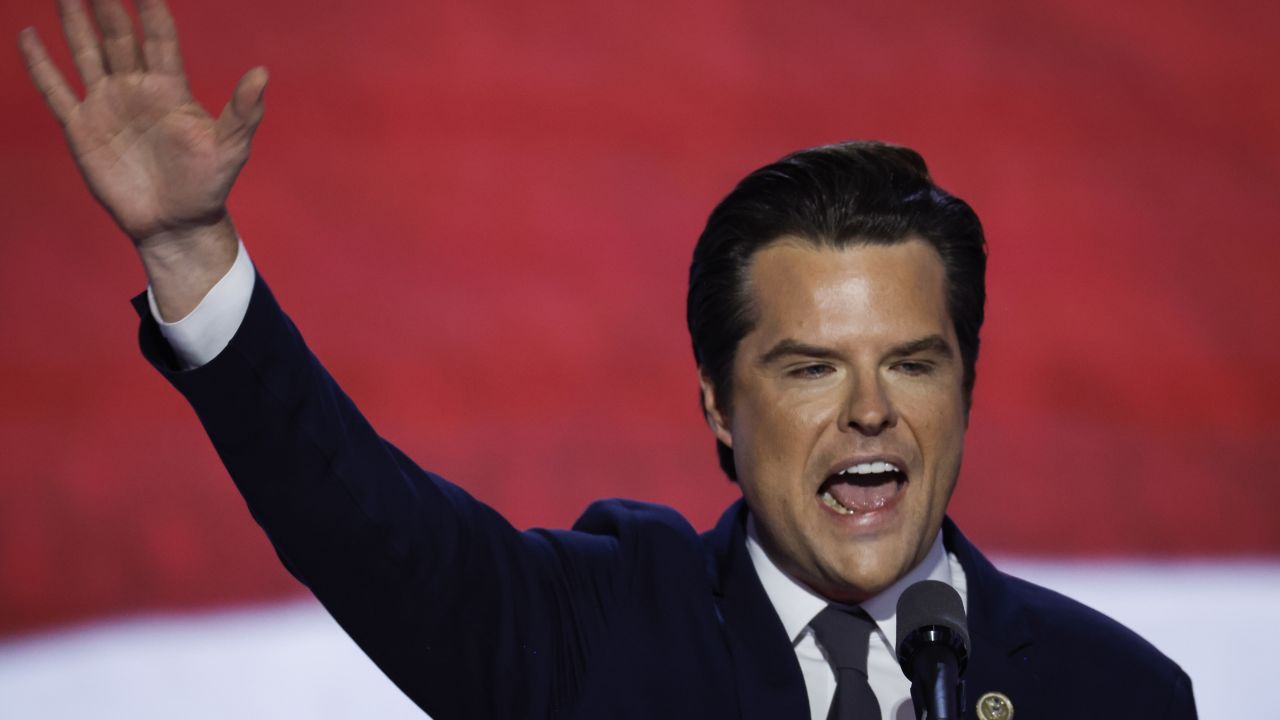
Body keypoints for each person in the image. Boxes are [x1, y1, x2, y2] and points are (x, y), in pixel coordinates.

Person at [20, 1, 1198, 718]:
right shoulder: (596, 637)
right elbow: (365, 526)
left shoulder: (1117, 698)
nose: (868, 413)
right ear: (718, 410)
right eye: (806, 369)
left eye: (911, 363)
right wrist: (189, 251)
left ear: (966, 386)